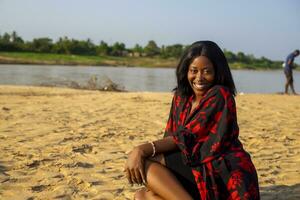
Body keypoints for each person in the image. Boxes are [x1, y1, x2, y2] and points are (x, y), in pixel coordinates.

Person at [124, 41, 260, 200]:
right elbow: (170, 136)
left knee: (147, 163)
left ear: (217, 71)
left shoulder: (220, 95)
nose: (199, 78)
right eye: (193, 71)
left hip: (220, 169)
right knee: (141, 196)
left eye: (207, 71)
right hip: (194, 164)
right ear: (185, 71)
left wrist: (140, 149)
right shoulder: (181, 98)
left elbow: (186, 136)